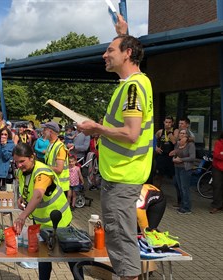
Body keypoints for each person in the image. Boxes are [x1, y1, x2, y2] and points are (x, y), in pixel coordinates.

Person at [78, 15, 153, 279]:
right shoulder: (135, 83)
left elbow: (131, 134)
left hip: (122, 177)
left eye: (110, 50)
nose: (104, 55)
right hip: (122, 175)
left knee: (121, 242)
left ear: (127, 53)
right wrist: (123, 33)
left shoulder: (132, 89)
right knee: (120, 239)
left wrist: (96, 130)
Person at [12, 143, 72, 280]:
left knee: (71, 255)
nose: (19, 165)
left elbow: (38, 194)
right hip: (41, 222)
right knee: (44, 256)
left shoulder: (42, 172)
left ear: (32, 157)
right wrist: (22, 197)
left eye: (22, 161)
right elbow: (28, 188)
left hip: (59, 220)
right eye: (16, 162)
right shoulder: (22, 172)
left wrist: (22, 217)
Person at [169, 129, 195, 215]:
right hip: (177, 167)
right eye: (181, 133)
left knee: (185, 188)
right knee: (179, 187)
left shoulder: (190, 145)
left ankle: (187, 208)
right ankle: (182, 205)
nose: (182, 135)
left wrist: (181, 160)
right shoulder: (177, 144)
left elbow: (192, 157)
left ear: (187, 135)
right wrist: (174, 158)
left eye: (184, 133)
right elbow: (175, 153)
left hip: (185, 168)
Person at [43, 122, 70, 193]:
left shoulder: (60, 147)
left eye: (44, 130)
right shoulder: (51, 144)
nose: (43, 132)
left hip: (60, 187)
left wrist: (43, 168)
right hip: (53, 184)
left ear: (50, 131)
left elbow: (59, 169)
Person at [154, 116, 176, 187]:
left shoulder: (175, 131)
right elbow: (152, 140)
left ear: (172, 123)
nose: (168, 124)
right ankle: (157, 191)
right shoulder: (160, 132)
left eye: (169, 122)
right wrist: (156, 147)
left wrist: (169, 133)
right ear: (164, 122)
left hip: (171, 156)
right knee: (159, 176)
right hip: (162, 155)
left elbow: (175, 142)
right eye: (166, 122)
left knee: (173, 176)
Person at [211, 132, 223, 214]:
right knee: (217, 186)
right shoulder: (218, 143)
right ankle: (216, 205)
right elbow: (216, 155)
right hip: (218, 168)